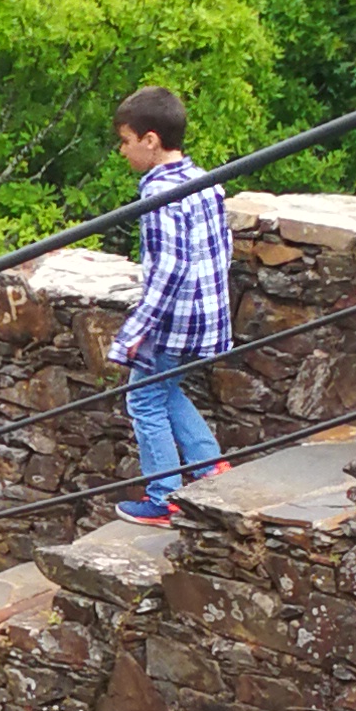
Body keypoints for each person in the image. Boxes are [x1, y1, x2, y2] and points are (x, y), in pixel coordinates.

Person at [107, 84, 231, 523]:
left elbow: (168, 271)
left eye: (126, 141)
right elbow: (224, 249)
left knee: (143, 399)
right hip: (207, 317)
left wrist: (133, 332)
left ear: (150, 140)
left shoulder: (159, 197)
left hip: (173, 322)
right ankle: (210, 467)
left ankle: (164, 497)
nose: (122, 150)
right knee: (165, 387)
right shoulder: (204, 180)